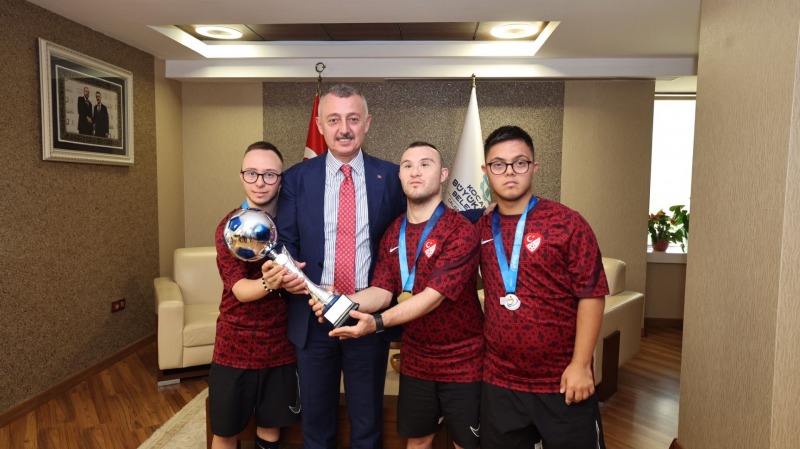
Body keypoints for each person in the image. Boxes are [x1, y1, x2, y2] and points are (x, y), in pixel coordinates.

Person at [320, 141, 484, 449]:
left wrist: (376, 323)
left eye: (425, 164)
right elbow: (382, 291)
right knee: (417, 441)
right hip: (416, 358)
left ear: (443, 174)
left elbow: (432, 296)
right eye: (407, 165)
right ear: (400, 176)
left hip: (463, 359)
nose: (415, 172)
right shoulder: (393, 231)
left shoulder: (460, 230)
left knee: (466, 444)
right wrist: (339, 303)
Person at [275, 84, 407, 449]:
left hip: (367, 316)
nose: (344, 129)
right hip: (313, 315)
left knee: (367, 421)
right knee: (316, 423)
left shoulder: (391, 177)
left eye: (352, 119)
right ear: (320, 125)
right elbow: (286, 245)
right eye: (333, 120)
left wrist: (483, 212)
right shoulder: (296, 179)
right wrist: (303, 283)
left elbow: (420, 221)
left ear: (367, 123)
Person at [477, 125, 609, 449]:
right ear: (485, 171)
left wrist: (581, 365)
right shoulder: (480, 226)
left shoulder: (568, 223)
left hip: (562, 381)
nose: (510, 172)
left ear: (534, 167)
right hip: (500, 383)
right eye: (498, 164)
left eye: (520, 163)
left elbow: (592, 295)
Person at [210, 141, 299, 449]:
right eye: (252, 173)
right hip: (235, 344)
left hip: (280, 344)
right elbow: (240, 290)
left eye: (269, 174)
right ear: (241, 176)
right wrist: (270, 283)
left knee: (271, 428)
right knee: (225, 431)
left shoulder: (292, 226)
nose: (260, 182)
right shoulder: (230, 227)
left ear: (280, 179)